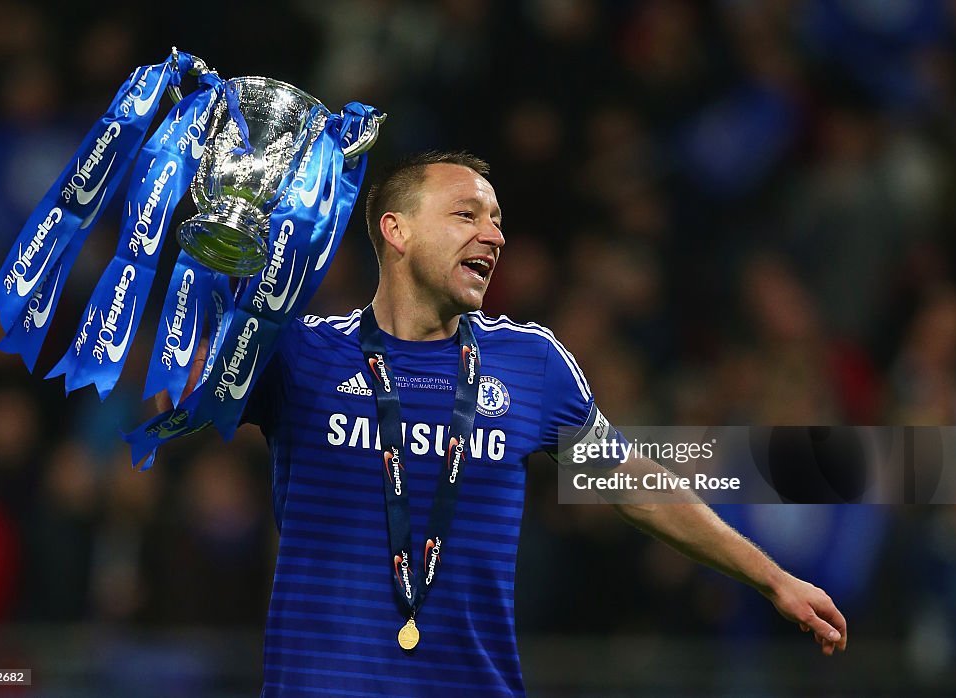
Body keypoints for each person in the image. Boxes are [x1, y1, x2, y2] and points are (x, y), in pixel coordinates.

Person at [174, 151, 847, 697]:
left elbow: (633, 483)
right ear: (396, 230)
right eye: (466, 214)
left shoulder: (531, 362)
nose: (493, 236)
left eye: (497, 220)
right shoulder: (302, 353)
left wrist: (771, 577)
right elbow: (179, 398)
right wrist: (216, 260)